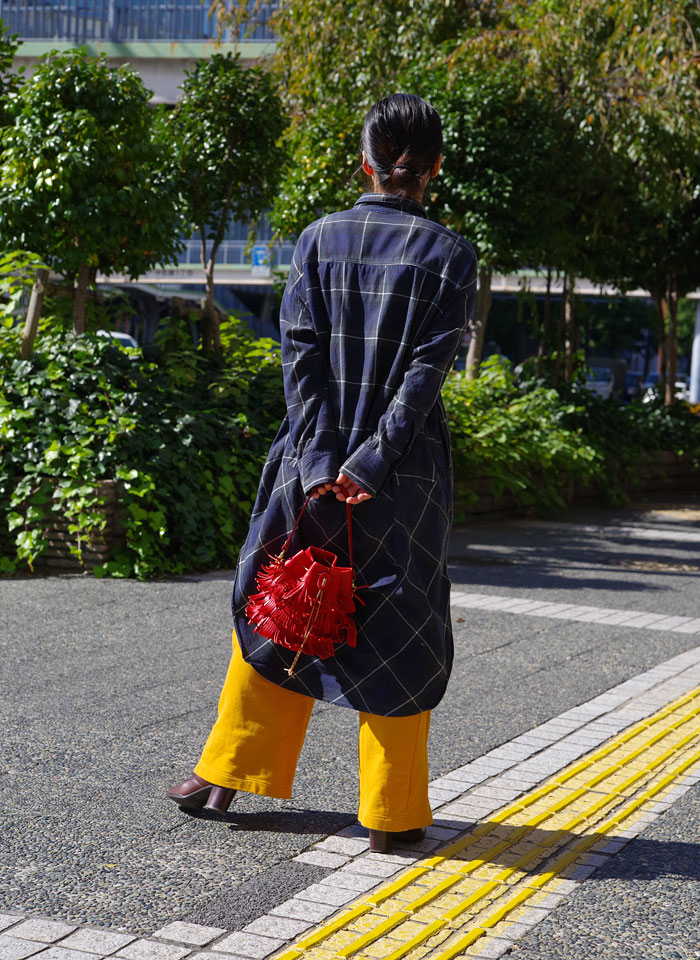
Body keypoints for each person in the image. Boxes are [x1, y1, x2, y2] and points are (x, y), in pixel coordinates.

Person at [167, 93, 477, 853]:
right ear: (434, 170)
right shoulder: (451, 254)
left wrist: (318, 464)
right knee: (402, 629)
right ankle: (392, 814)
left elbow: (299, 359)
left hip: (308, 461)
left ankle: (227, 773)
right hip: (404, 479)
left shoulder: (316, 238)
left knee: (283, 601)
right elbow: (423, 379)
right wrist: (372, 462)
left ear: (363, 163)